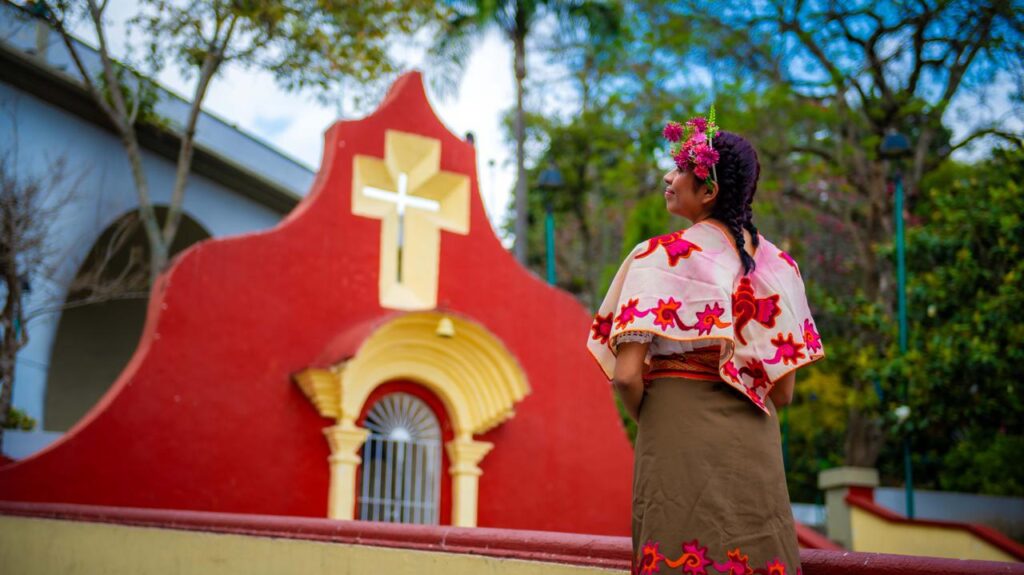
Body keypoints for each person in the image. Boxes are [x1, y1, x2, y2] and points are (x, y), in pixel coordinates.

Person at [586, 111, 824, 575]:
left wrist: (655, 418)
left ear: (709, 191)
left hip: (676, 430)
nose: (668, 177)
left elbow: (627, 376)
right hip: (755, 441)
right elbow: (783, 392)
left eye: (680, 170)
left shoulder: (658, 257)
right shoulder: (782, 269)